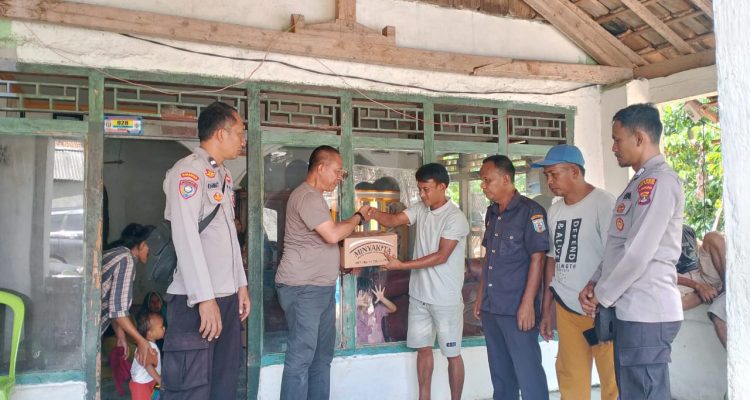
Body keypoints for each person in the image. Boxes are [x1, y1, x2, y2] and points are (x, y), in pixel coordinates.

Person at [580, 103, 684, 399]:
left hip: (647, 311)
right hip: (632, 310)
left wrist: (601, 295)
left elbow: (638, 252)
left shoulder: (659, 182)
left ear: (639, 138)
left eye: (617, 140)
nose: (613, 147)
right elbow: (618, 245)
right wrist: (595, 281)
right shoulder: (638, 183)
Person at [161, 101, 251, 399]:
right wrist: (204, 297)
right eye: (239, 133)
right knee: (192, 387)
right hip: (195, 301)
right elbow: (185, 235)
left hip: (225, 297)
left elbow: (228, 235)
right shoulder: (188, 172)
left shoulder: (223, 175)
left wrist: (240, 284)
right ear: (221, 134)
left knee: (224, 385)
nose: (243, 141)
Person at [275, 145, 371, 400]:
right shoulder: (307, 196)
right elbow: (331, 235)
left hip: (320, 288)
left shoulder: (316, 198)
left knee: (321, 357)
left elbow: (319, 244)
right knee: (301, 358)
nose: (339, 177)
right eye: (337, 171)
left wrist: (344, 261)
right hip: (303, 288)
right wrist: (358, 217)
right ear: (320, 168)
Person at [368, 162, 470, 400]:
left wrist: (402, 266)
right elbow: (394, 220)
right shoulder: (421, 209)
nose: (422, 194)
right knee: (423, 350)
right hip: (419, 297)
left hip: (445, 299)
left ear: (442, 187)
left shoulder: (455, 218)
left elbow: (441, 256)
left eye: (426, 189)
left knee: (452, 354)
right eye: (419, 189)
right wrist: (371, 213)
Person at [533, 144, 618, 400]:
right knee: (571, 379)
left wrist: (600, 296)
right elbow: (552, 260)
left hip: (600, 309)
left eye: (553, 174)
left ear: (574, 171)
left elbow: (616, 255)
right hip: (567, 307)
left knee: (613, 380)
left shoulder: (603, 203)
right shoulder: (555, 210)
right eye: (546, 175)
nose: (549, 181)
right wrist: (546, 309)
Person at [474, 155, 550, 400]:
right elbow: (489, 259)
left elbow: (538, 260)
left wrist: (528, 304)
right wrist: (480, 296)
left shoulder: (531, 212)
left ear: (506, 179)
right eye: (482, 181)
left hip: (517, 308)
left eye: (488, 180)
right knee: (501, 375)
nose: (483, 186)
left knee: (528, 374)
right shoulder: (492, 213)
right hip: (492, 306)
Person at [101, 223, 157, 368]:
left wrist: (120, 336)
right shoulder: (126, 260)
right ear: (142, 244)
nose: (153, 255)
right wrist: (141, 340)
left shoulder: (121, 254)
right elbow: (118, 311)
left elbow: (113, 304)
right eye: (152, 250)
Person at [678, 229, 725, 311]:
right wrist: (698, 286)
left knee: (712, 237)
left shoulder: (688, 230)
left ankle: (727, 287)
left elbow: (695, 251)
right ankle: (712, 294)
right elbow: (661, 274)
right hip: (677, 280)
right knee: (671, 303)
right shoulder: (656, 231)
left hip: (700, 273)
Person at [129, 312, 165, 400]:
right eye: (161, 327)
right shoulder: (148, 346)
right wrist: (160, 380)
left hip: (150, 380)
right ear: (150, 333)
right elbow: (148, 366)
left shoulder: (149, 345)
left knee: (153, 397)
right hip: (141, 385)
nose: (164, 328)